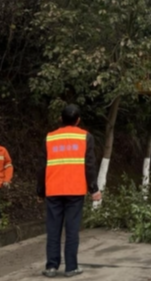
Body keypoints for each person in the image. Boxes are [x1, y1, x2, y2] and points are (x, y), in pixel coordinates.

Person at [37, 104, 102, 278]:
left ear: (60, 119)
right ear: (78, 120)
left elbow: (42, 166)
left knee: (53, 229)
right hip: (75, 190)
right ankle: (71, 267)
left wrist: (40, 190)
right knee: (72, 230)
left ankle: (51, 267)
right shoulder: (85, 137)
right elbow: (90, 165)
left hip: (53, 190)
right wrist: (94, 189)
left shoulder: (49, 138)